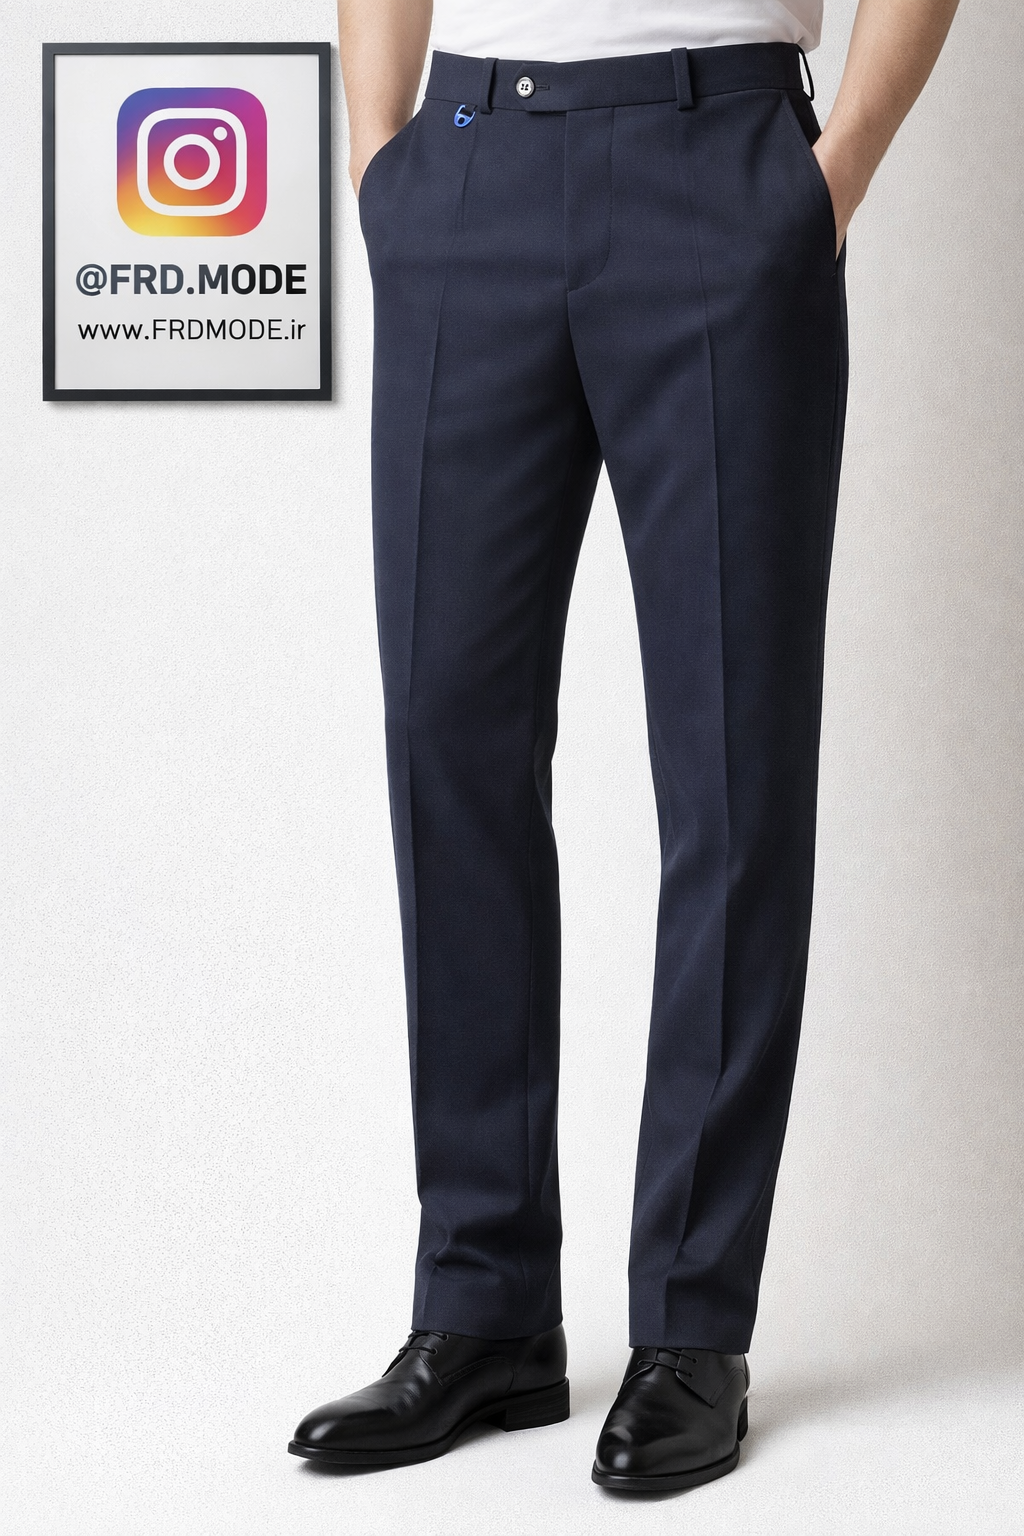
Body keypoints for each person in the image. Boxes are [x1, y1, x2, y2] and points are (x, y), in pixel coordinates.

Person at [289, 0, 961, 1493]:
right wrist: (381, 155)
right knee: (447, 740)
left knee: (732, 762)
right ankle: (483, 1305)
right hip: (469, 162)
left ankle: (693, 1326)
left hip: (721, 161)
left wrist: (834, 170)